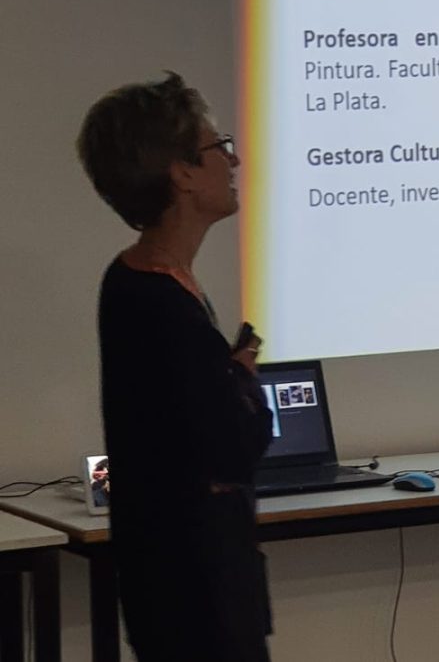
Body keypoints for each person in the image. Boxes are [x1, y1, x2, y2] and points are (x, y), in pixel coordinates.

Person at [76, 72, 274, 662]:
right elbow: (233, 448)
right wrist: (242, 380)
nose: (233, 160)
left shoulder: (148, 282)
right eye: (218, 147)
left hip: (193, 579)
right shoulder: (156, 300)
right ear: (181, 172)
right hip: (194, 591)